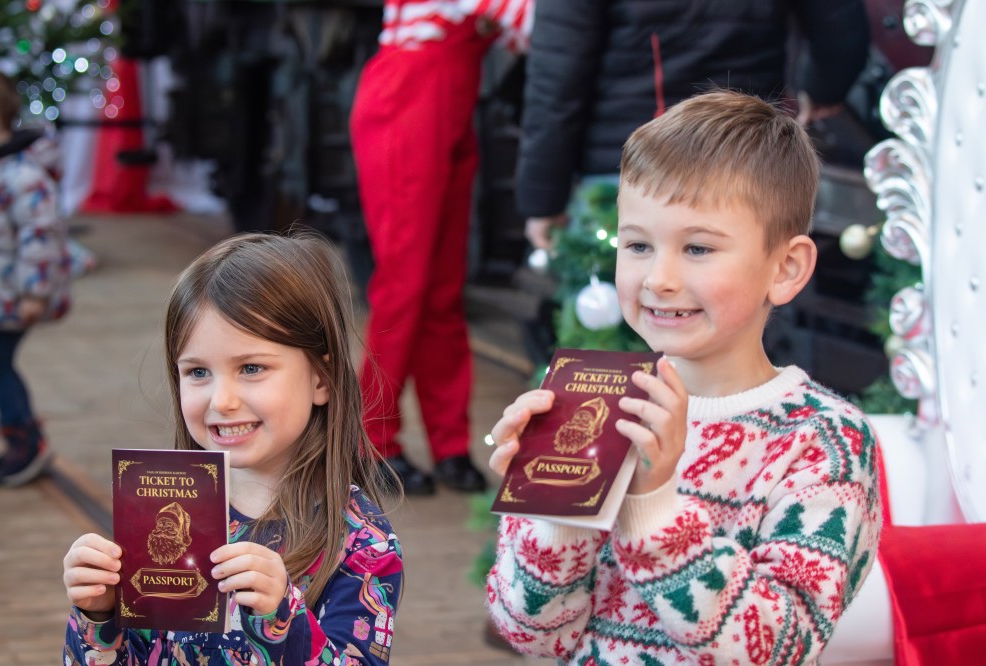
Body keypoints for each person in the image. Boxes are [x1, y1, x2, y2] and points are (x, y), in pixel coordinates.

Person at [485, 91, 882, 663]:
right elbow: (534, 635)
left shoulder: (822, 443)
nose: (660, 278)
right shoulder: (596, 407)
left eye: (697, 247)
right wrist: (551, 514)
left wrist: (655, 507)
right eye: (638, 245)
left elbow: (776, 648)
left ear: (785, 267)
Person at [62, 233, 403, 664]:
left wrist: (282, 617)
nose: (221, 400)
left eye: (252, 367)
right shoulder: (160, 520)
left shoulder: (360, 541)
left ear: (322, 379)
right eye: (198, 371)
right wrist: (98, 615)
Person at [349, 0, 533, 495]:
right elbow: (529, 25)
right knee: (404, 285)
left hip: (445, 100)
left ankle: (449, 443)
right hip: (409, 100)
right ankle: (370, 442)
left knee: (442, 288)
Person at [517, 0, 870, 251]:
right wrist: (823, 90)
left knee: (618, 333)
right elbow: (840, 27)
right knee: (734, 322)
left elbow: (557, 81)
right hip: (745, 159)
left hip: (634, 175)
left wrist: (543, 199)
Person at [0, 65, 72, 487]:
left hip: (10, 295)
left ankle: (28, 443)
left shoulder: (22, 175)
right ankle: (19, 441)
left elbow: (41, 237)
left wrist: (33, 294)